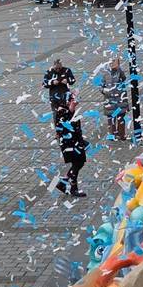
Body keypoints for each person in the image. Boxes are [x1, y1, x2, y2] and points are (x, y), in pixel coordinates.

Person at [43, 60, 86, 195]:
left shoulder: (71, 111)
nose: (76, 102)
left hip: (75, 141)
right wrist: (52, 83)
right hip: (69, 143)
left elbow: (72, 80)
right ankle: (68, 185)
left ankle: (65, 183)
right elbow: (62, 127)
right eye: (73, 100)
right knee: (78, 162)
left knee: (79, 162)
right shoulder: (63, 112)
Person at [99, 57, 129, 141]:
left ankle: (121, 135)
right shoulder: (105, 73)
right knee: (111, 118)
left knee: (120, 117)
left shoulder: (120, 72)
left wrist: (118, 69)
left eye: (115, 63)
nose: (113, 65)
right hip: (109, 100)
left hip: (120, 100)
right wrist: (104, 90)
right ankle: (112, 135)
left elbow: (124, 78)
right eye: (111, 63)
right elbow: (100, 86)